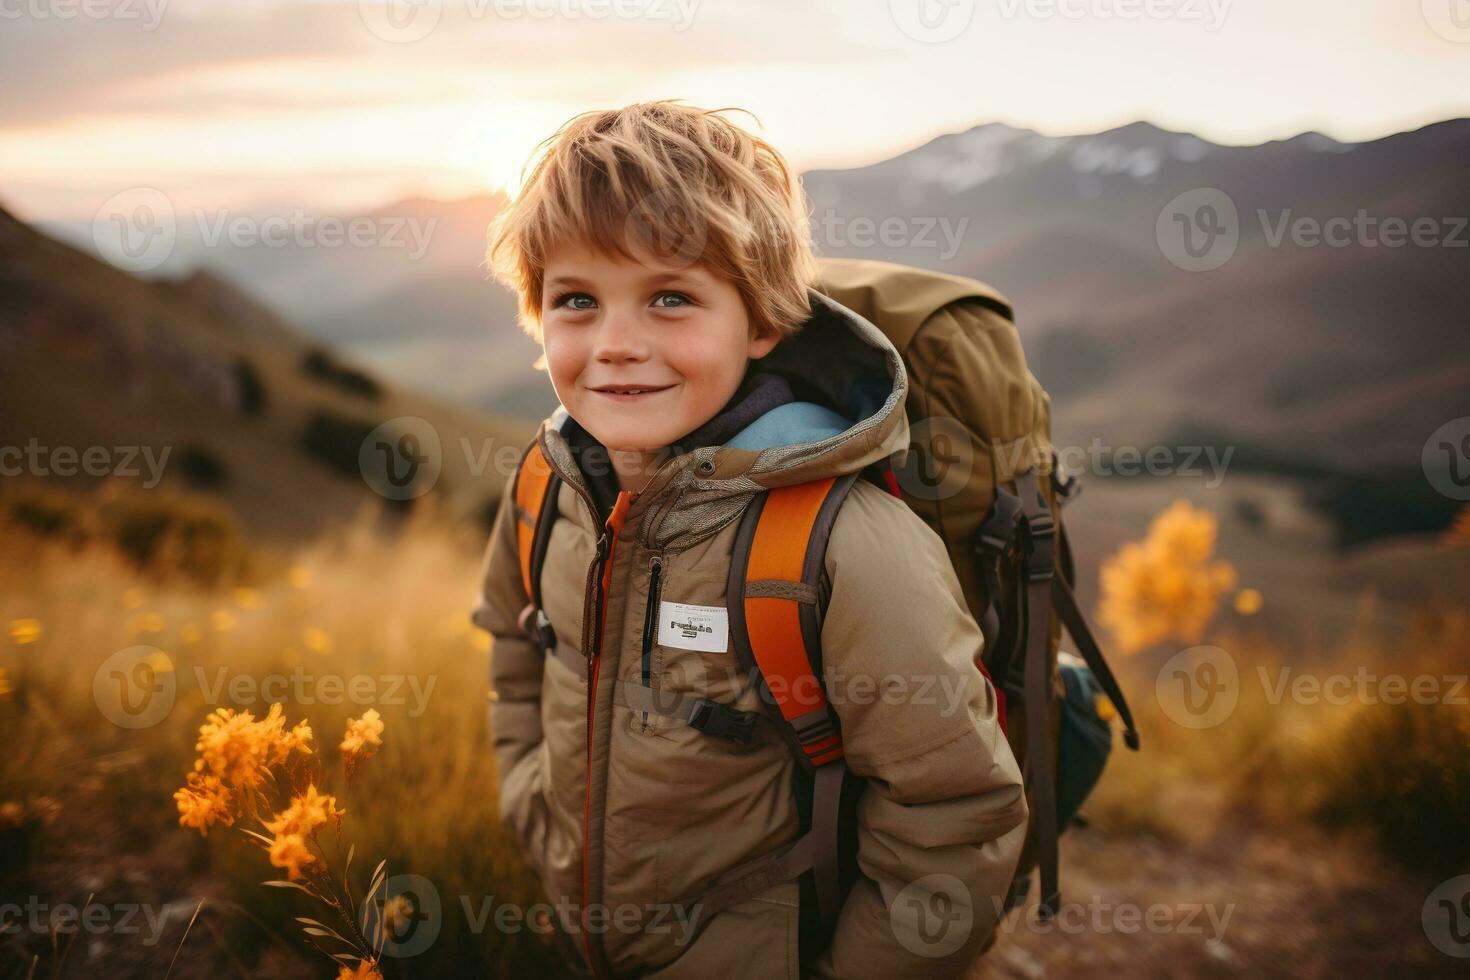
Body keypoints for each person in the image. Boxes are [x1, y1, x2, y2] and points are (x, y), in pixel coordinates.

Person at [474, 100, 1027, 978]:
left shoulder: (847, 547)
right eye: (577, 299)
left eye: (671, 298)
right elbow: (514, 643)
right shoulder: (550, 488)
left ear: (762, 321)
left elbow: (953, 815)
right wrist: (528, 806)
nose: (616, 344)